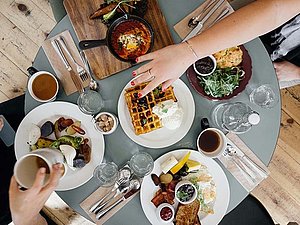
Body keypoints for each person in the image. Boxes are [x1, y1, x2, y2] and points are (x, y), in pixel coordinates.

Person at [132, 0, 300, 97]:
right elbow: (276, 10)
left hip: (289, 64)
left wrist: (297, 73)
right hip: (256, 14)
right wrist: (188, 51)